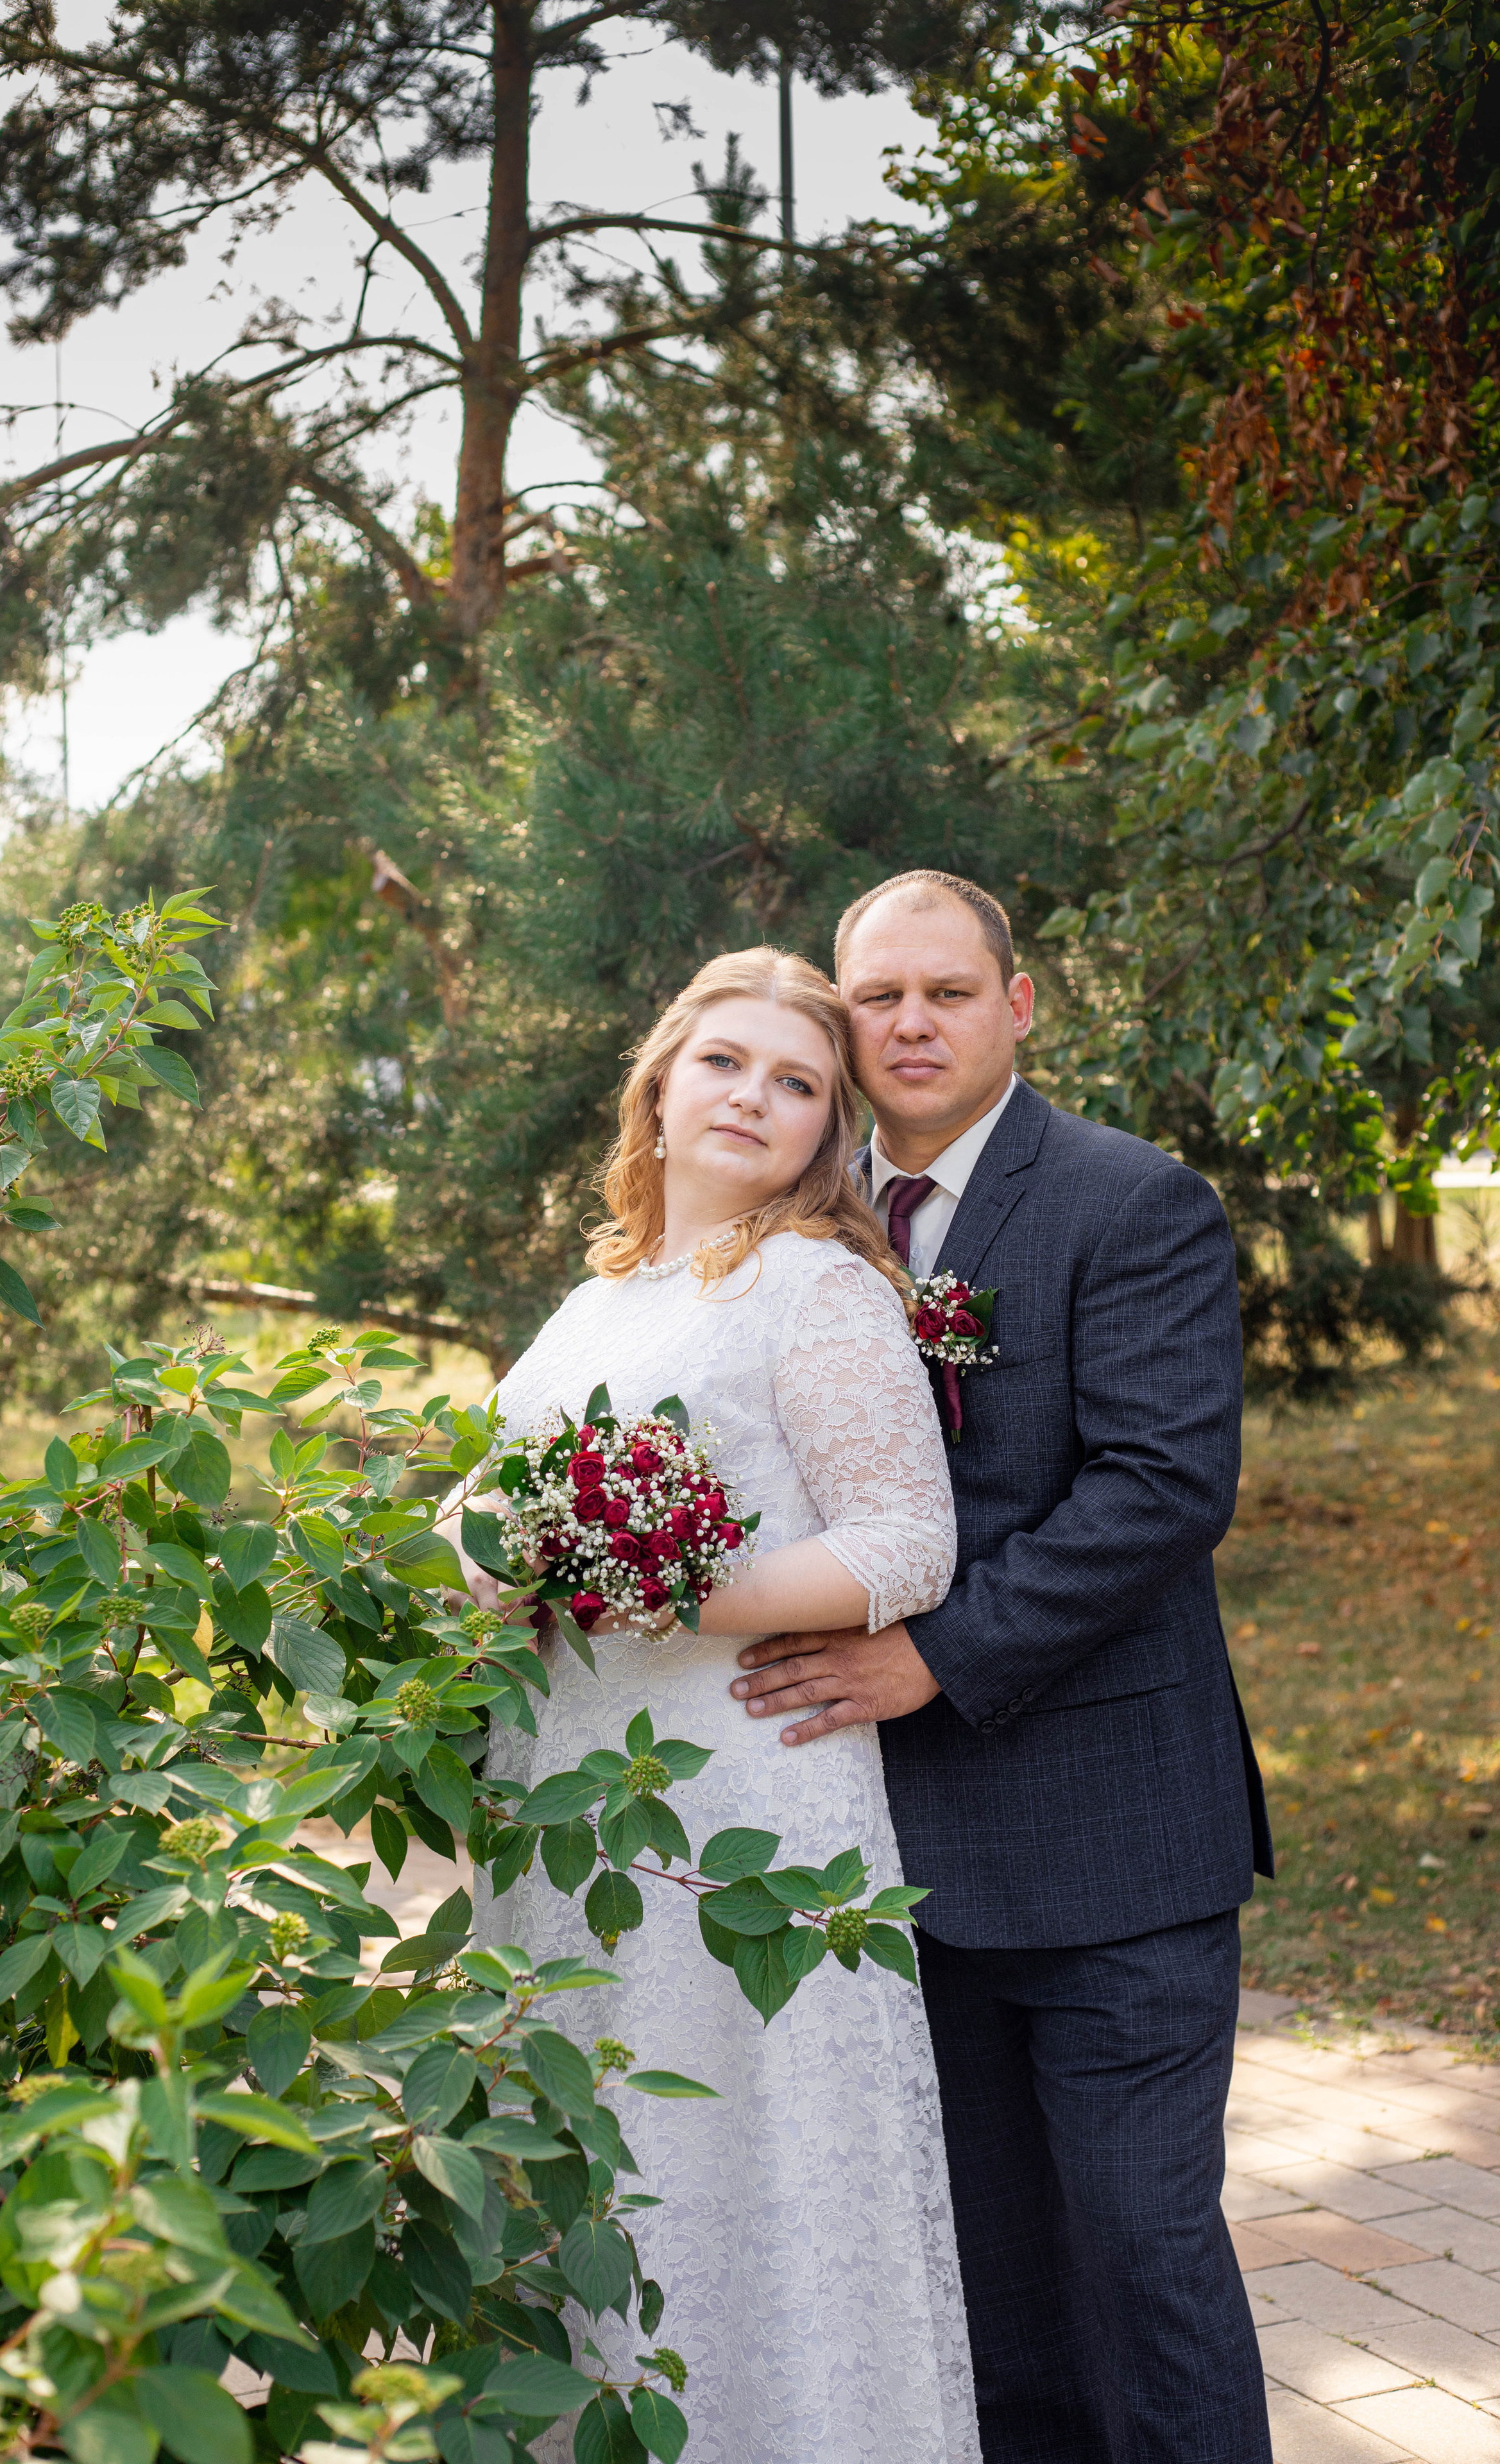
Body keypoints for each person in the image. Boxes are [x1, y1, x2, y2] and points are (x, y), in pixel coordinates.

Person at [731, 870, 1276, 2464]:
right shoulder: (794, 1225)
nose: (907, 1022)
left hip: (1114, 1841)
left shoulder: (1129, 1200)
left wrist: (934, 1658)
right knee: (985, 2280)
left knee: (1139, 2259)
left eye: (945, 992)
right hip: (894, 1850)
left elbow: (1164, 1485)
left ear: (1015, 1007)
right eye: (875, 996)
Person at [466, 946, 981, 2464]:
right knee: (596, 2155)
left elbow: (906, 1543)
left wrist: (671, 1588)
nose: (752, 1097)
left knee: (733, 2159)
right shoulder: (596, 1299)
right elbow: (487, 1513)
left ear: (829, 1133)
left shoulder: (813, 1285)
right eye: (724, 1064)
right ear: (659, 1084)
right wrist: (475, 1559)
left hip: (739, 1792)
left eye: (796, 1084)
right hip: (568, 1794)